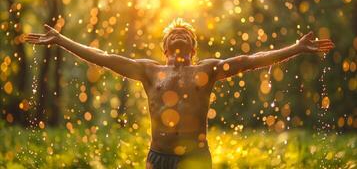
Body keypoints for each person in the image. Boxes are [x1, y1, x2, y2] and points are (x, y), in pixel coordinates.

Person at [24, 18, 335, 168]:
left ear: (194, 48)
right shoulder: (149, 71)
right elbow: (103, 58)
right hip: (157, 158)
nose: (179, 35)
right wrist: (62, 40)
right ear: (165, 48)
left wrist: (296, 48)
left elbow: (250, 61)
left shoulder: (207, 70)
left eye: (185, 34)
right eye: (174, 34)